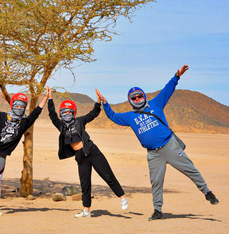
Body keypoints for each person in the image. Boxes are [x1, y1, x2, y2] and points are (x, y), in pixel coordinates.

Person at [96, 65, 219, 221]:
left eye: (139, 96)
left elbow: (168, 89)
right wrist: (105, 103)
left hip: (170, 146)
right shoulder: (129, 116)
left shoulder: (156, 104)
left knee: (191, 170)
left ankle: (207, 192)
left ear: (144, 96)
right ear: (130, 101)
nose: (137, 99)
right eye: (133, 98)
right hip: (154, 154)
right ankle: (157, 211)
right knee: (156, 183)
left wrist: (177, 76)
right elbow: (113, 116)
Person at [47, 86, 129, 218]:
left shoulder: (80, 121)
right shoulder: (61, 126)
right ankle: (86, 210)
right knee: (85, 184)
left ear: (73, 112)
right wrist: (49, 98)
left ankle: (122, 197)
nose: (67, 114)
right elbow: (52, 115)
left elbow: (93, 114)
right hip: (80, 157)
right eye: (64, 111)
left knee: (108, 176)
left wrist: (98, 102)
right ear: (61, 113)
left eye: (69, 111)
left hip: (92, 152)